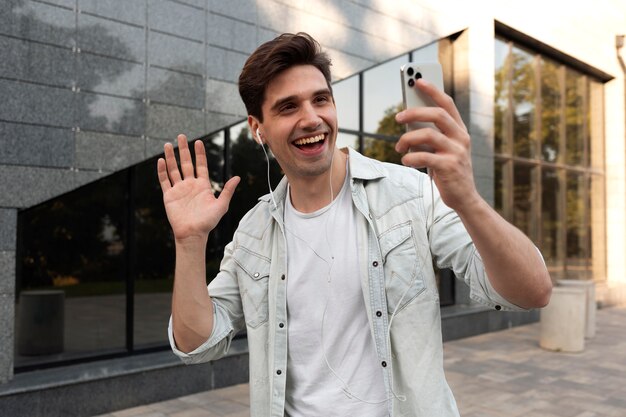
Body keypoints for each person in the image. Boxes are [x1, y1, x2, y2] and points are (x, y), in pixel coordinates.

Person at [157, 32, 552, 416]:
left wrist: (467, 198)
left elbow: (531, 292)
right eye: (288, 107)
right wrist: (190, 242)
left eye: (320, 99)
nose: (311, 119)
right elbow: (198, 344)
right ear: (257, 128)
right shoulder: (254, 232)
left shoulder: (409, 193)